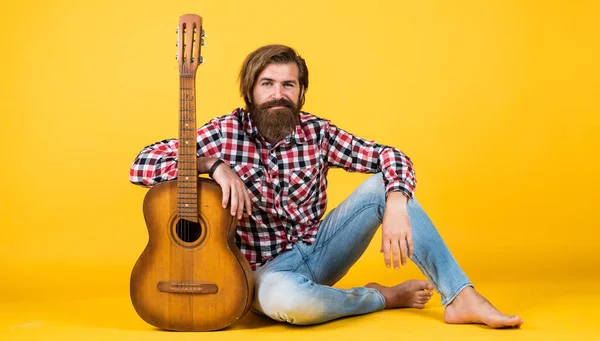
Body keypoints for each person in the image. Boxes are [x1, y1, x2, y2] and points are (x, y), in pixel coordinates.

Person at [129, 44, 524, 328]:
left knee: (382, 186)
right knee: (292, 304)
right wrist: (212, 164)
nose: (278, 95)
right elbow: (141, 164)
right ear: (250, 92)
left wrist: (397, 203)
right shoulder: (225, 132)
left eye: (289, 85)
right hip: (260, 274)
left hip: (319, 251)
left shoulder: (318, 132)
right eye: (267, 84)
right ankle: (381, 297)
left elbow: (390, 156)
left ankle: (460, 297)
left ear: (301, 93)